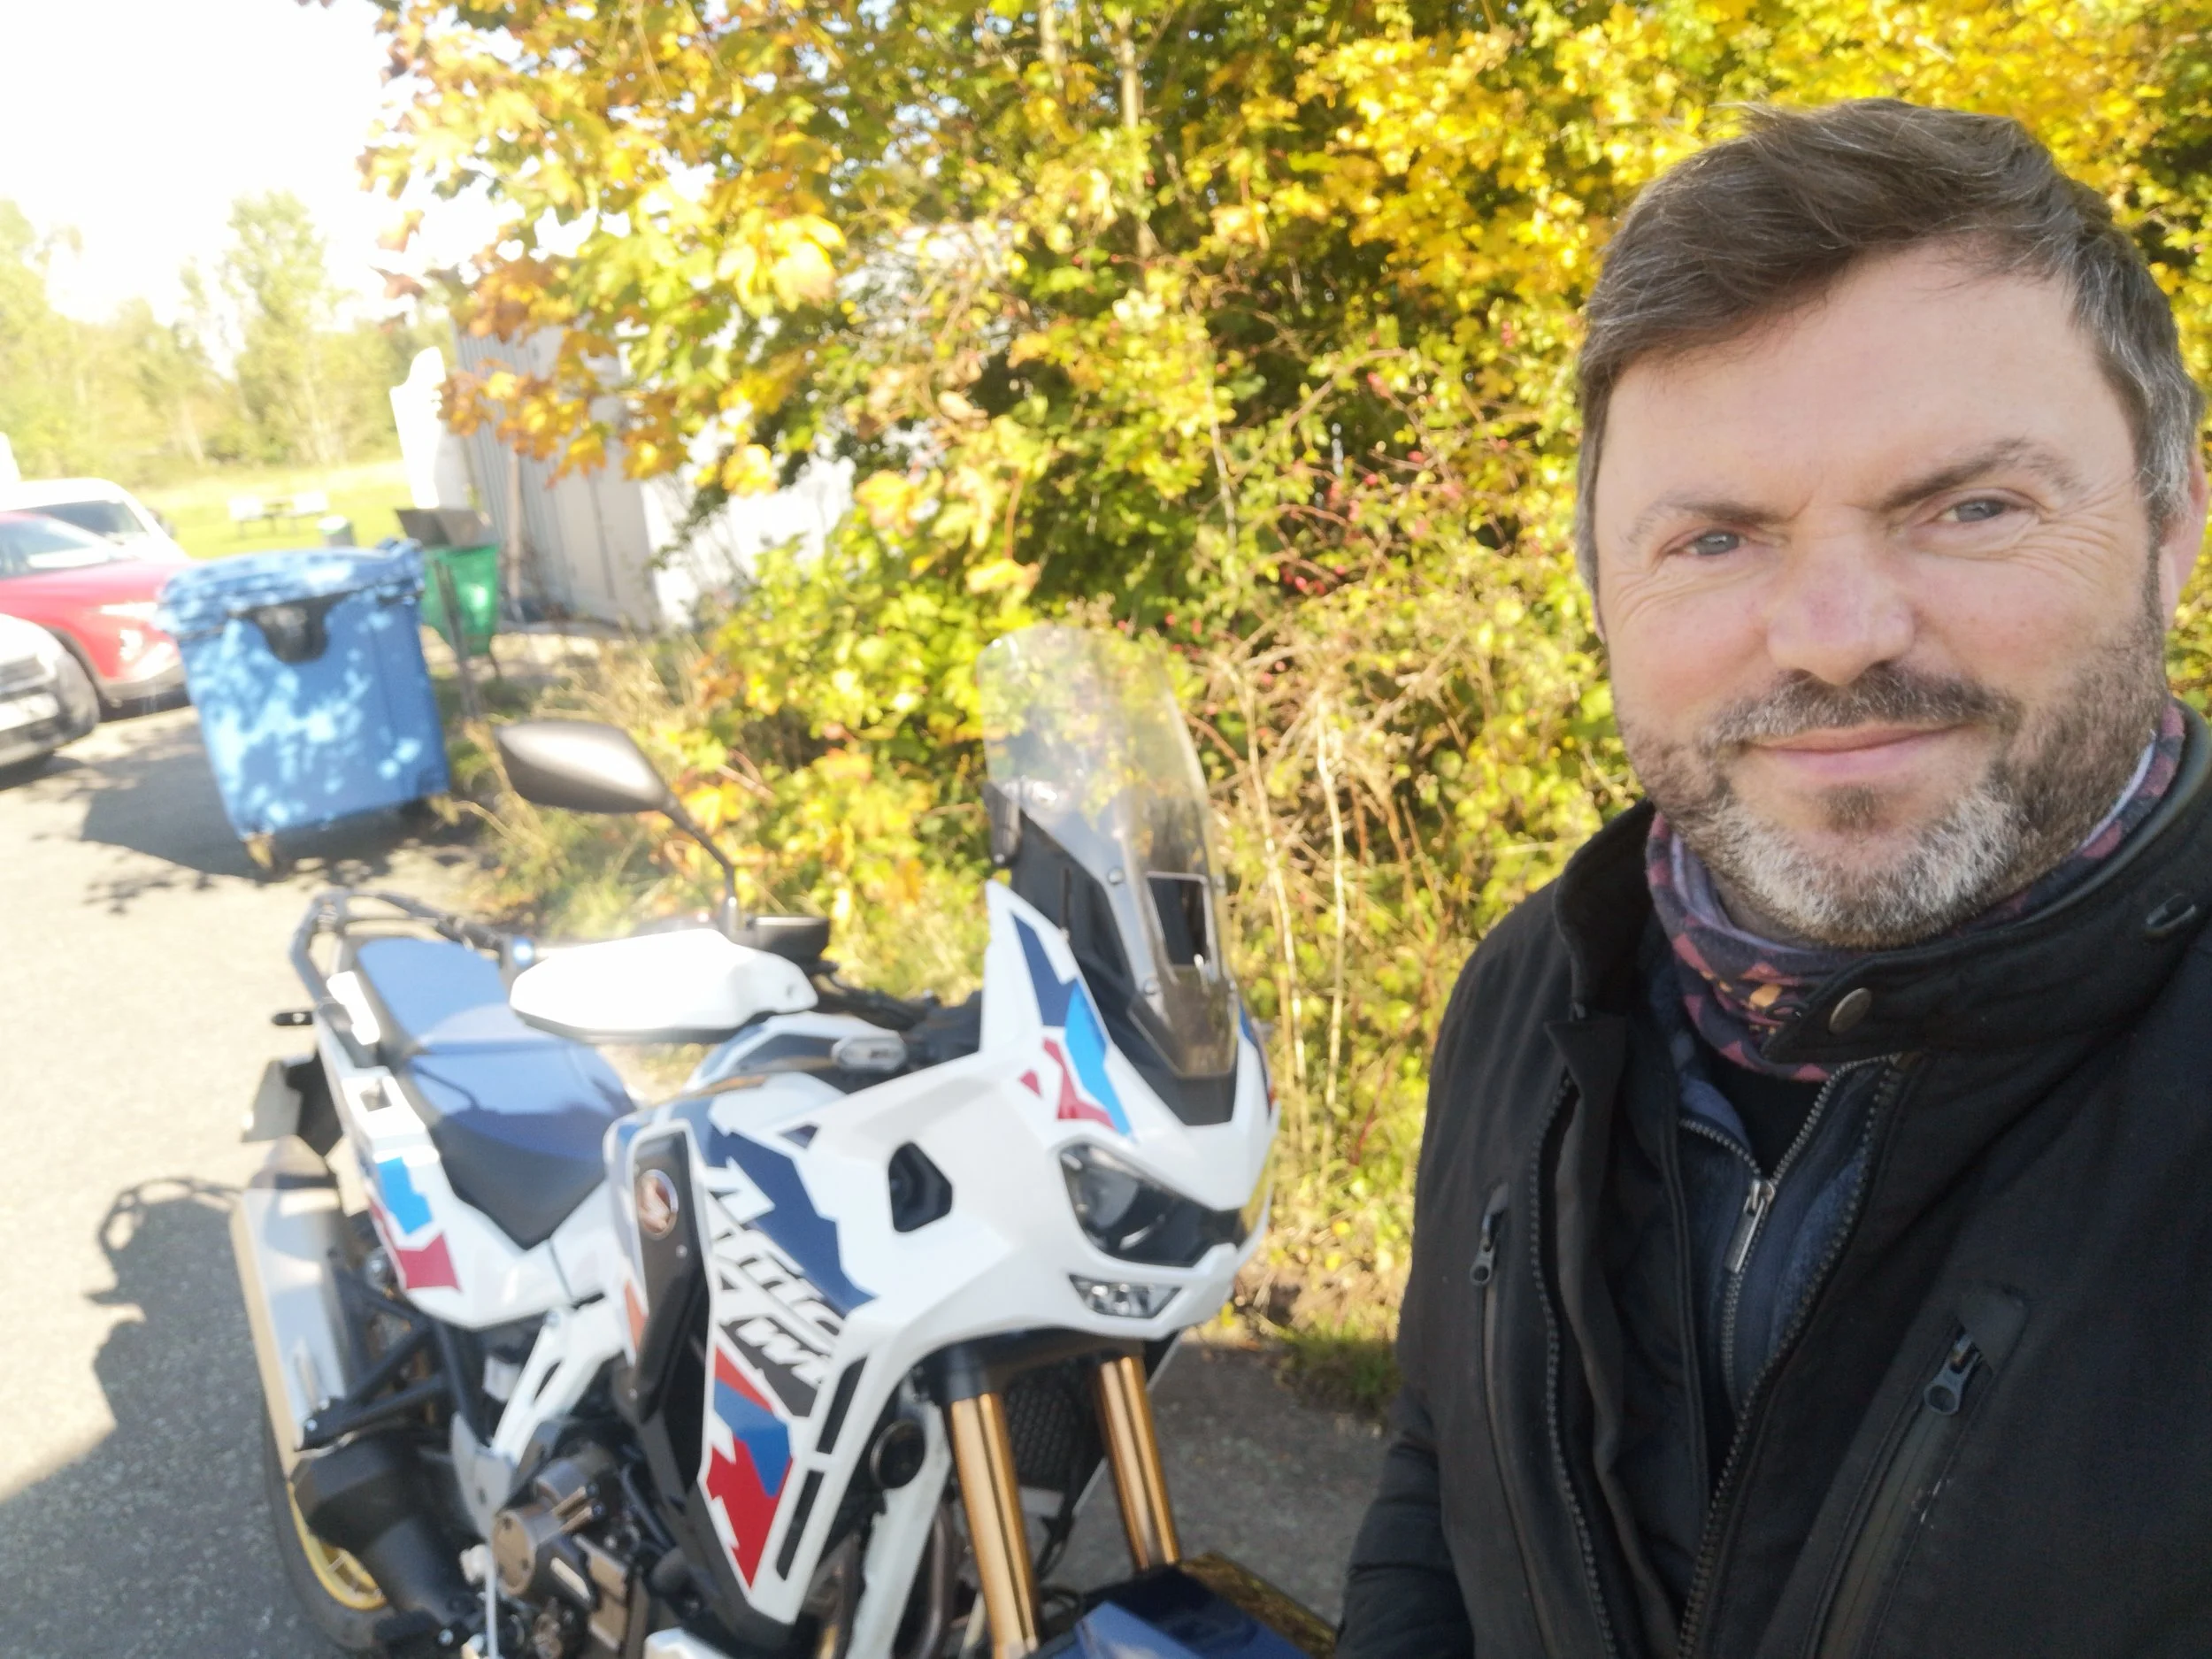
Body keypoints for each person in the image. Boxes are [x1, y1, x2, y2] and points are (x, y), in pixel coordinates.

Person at [1335, 99, 2212, 1659]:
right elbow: (1439, 1458)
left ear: (2172, 522)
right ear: (1604, 584)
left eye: (1971, 506)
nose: (1834, 629)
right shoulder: (1533, 987)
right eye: (1718, 538)